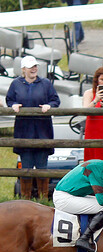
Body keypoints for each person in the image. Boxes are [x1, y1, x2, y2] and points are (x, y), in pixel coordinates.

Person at [5, 55, 60, 200]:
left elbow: (55, 100)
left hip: (42, 131)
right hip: (24, 131)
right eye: (30, 67)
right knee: (26, 168)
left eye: (35, 66)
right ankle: (25, 199)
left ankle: (43, 199)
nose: (34, 69)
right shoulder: (16, 84)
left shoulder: (46, 83)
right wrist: (13, 105)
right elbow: (9, 99)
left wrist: (50, 106)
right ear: (23, 69)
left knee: (42, 167)